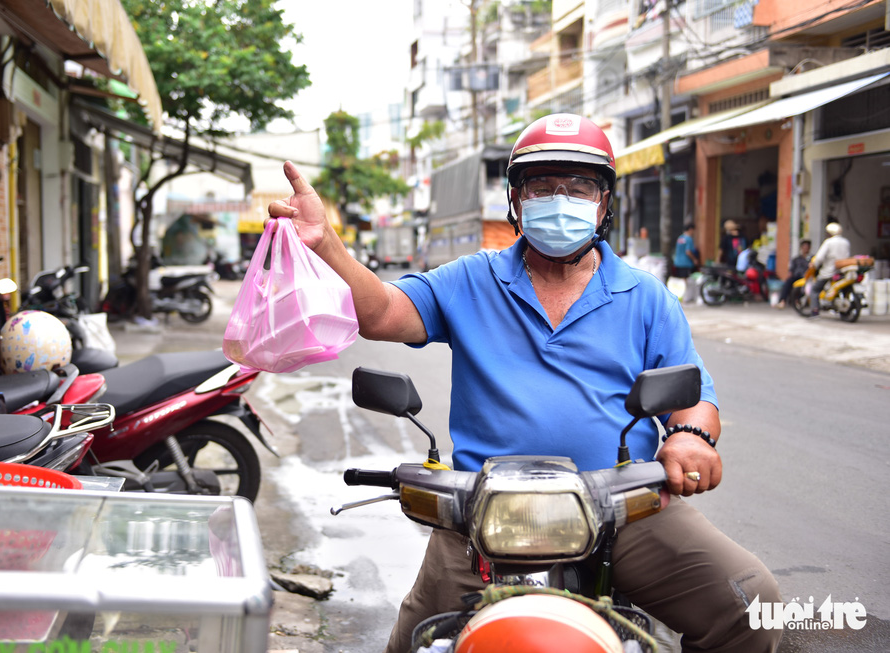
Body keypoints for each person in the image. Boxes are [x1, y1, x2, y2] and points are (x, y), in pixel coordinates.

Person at [268, 113, 781, 653]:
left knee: (752, 606)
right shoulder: (471, 278)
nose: (560, 200)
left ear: (604, 203)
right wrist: (327, 244)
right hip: (482, 518)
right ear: (516, 200)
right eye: (542, 187)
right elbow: (382, 314)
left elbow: (695, 399)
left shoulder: (646, 297)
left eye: (579, 187)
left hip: (620, 511)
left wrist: (689, 438)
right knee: (414, 645)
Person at [808, 222, 851, 317]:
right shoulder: (846, 242)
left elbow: (819, 257)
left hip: (829, 271)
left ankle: (814, 312)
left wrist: (813, 264)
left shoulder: (829, 242)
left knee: (815, 290)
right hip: (842, 272)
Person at [776, 239, 811, 309]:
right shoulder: (796, 259)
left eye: (807, 247)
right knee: (788, 282)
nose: (805, 249)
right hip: (796, 276)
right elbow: (791, 269)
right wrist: (789, 274)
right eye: (804, 247)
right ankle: (782, 301)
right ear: (801, 248)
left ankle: (798, 301)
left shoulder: (811, 259)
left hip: (806, 277)